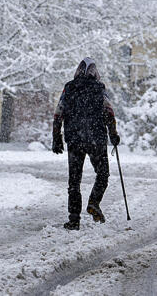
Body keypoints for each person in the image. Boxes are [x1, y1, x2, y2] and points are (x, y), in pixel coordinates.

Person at [52, 57, 121, 230]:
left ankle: (74, 220)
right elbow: (109, 112)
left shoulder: (69, 88)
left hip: (74, 139)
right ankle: (94, 202)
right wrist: (113, 134)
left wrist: (56, 137)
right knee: (103, 174)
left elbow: (58, 113)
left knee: (74, 182)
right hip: (95, 139)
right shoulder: (99, 89)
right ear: (94, 72)